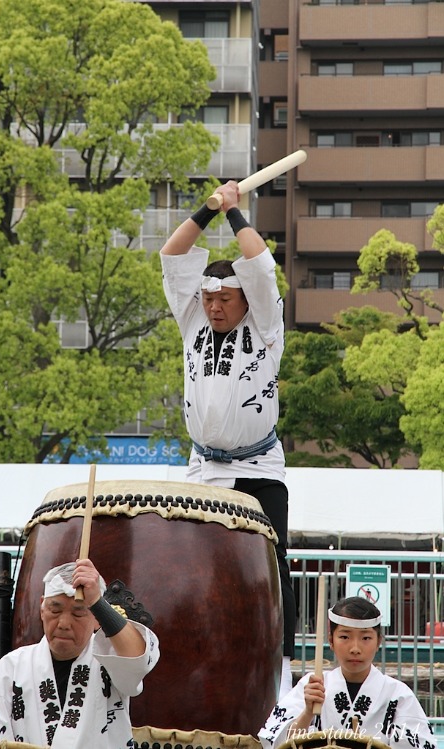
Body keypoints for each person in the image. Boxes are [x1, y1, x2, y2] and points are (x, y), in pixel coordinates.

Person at [160, 180, 296, 696]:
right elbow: (173, 254)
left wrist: (236, 214)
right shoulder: (192, 319)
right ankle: (201, 660)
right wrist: (208, 208)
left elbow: (260, 266)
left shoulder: (265, 324)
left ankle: (278, 674)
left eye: (226, 298)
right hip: (204, 467)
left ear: (246, 300)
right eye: (209, 298)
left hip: (259, 467)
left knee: (268, 560)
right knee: (197, 565)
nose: (215, 307)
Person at [0, 558, 159, 748]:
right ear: (41, 609)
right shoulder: (12, 668)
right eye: (55, 610)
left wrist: (97, 602)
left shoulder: (109, 658)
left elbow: (138, 661)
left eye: (78, 613)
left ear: (97, 619)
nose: (64, 624)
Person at [258, 596, 436, 749]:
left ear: (378, 641)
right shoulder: (312, 686)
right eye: (345, 637)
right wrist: (307, 713)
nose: (355, 648)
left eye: (366, 638)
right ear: (331, 641)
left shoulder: (397, 695)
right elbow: (277, 744)